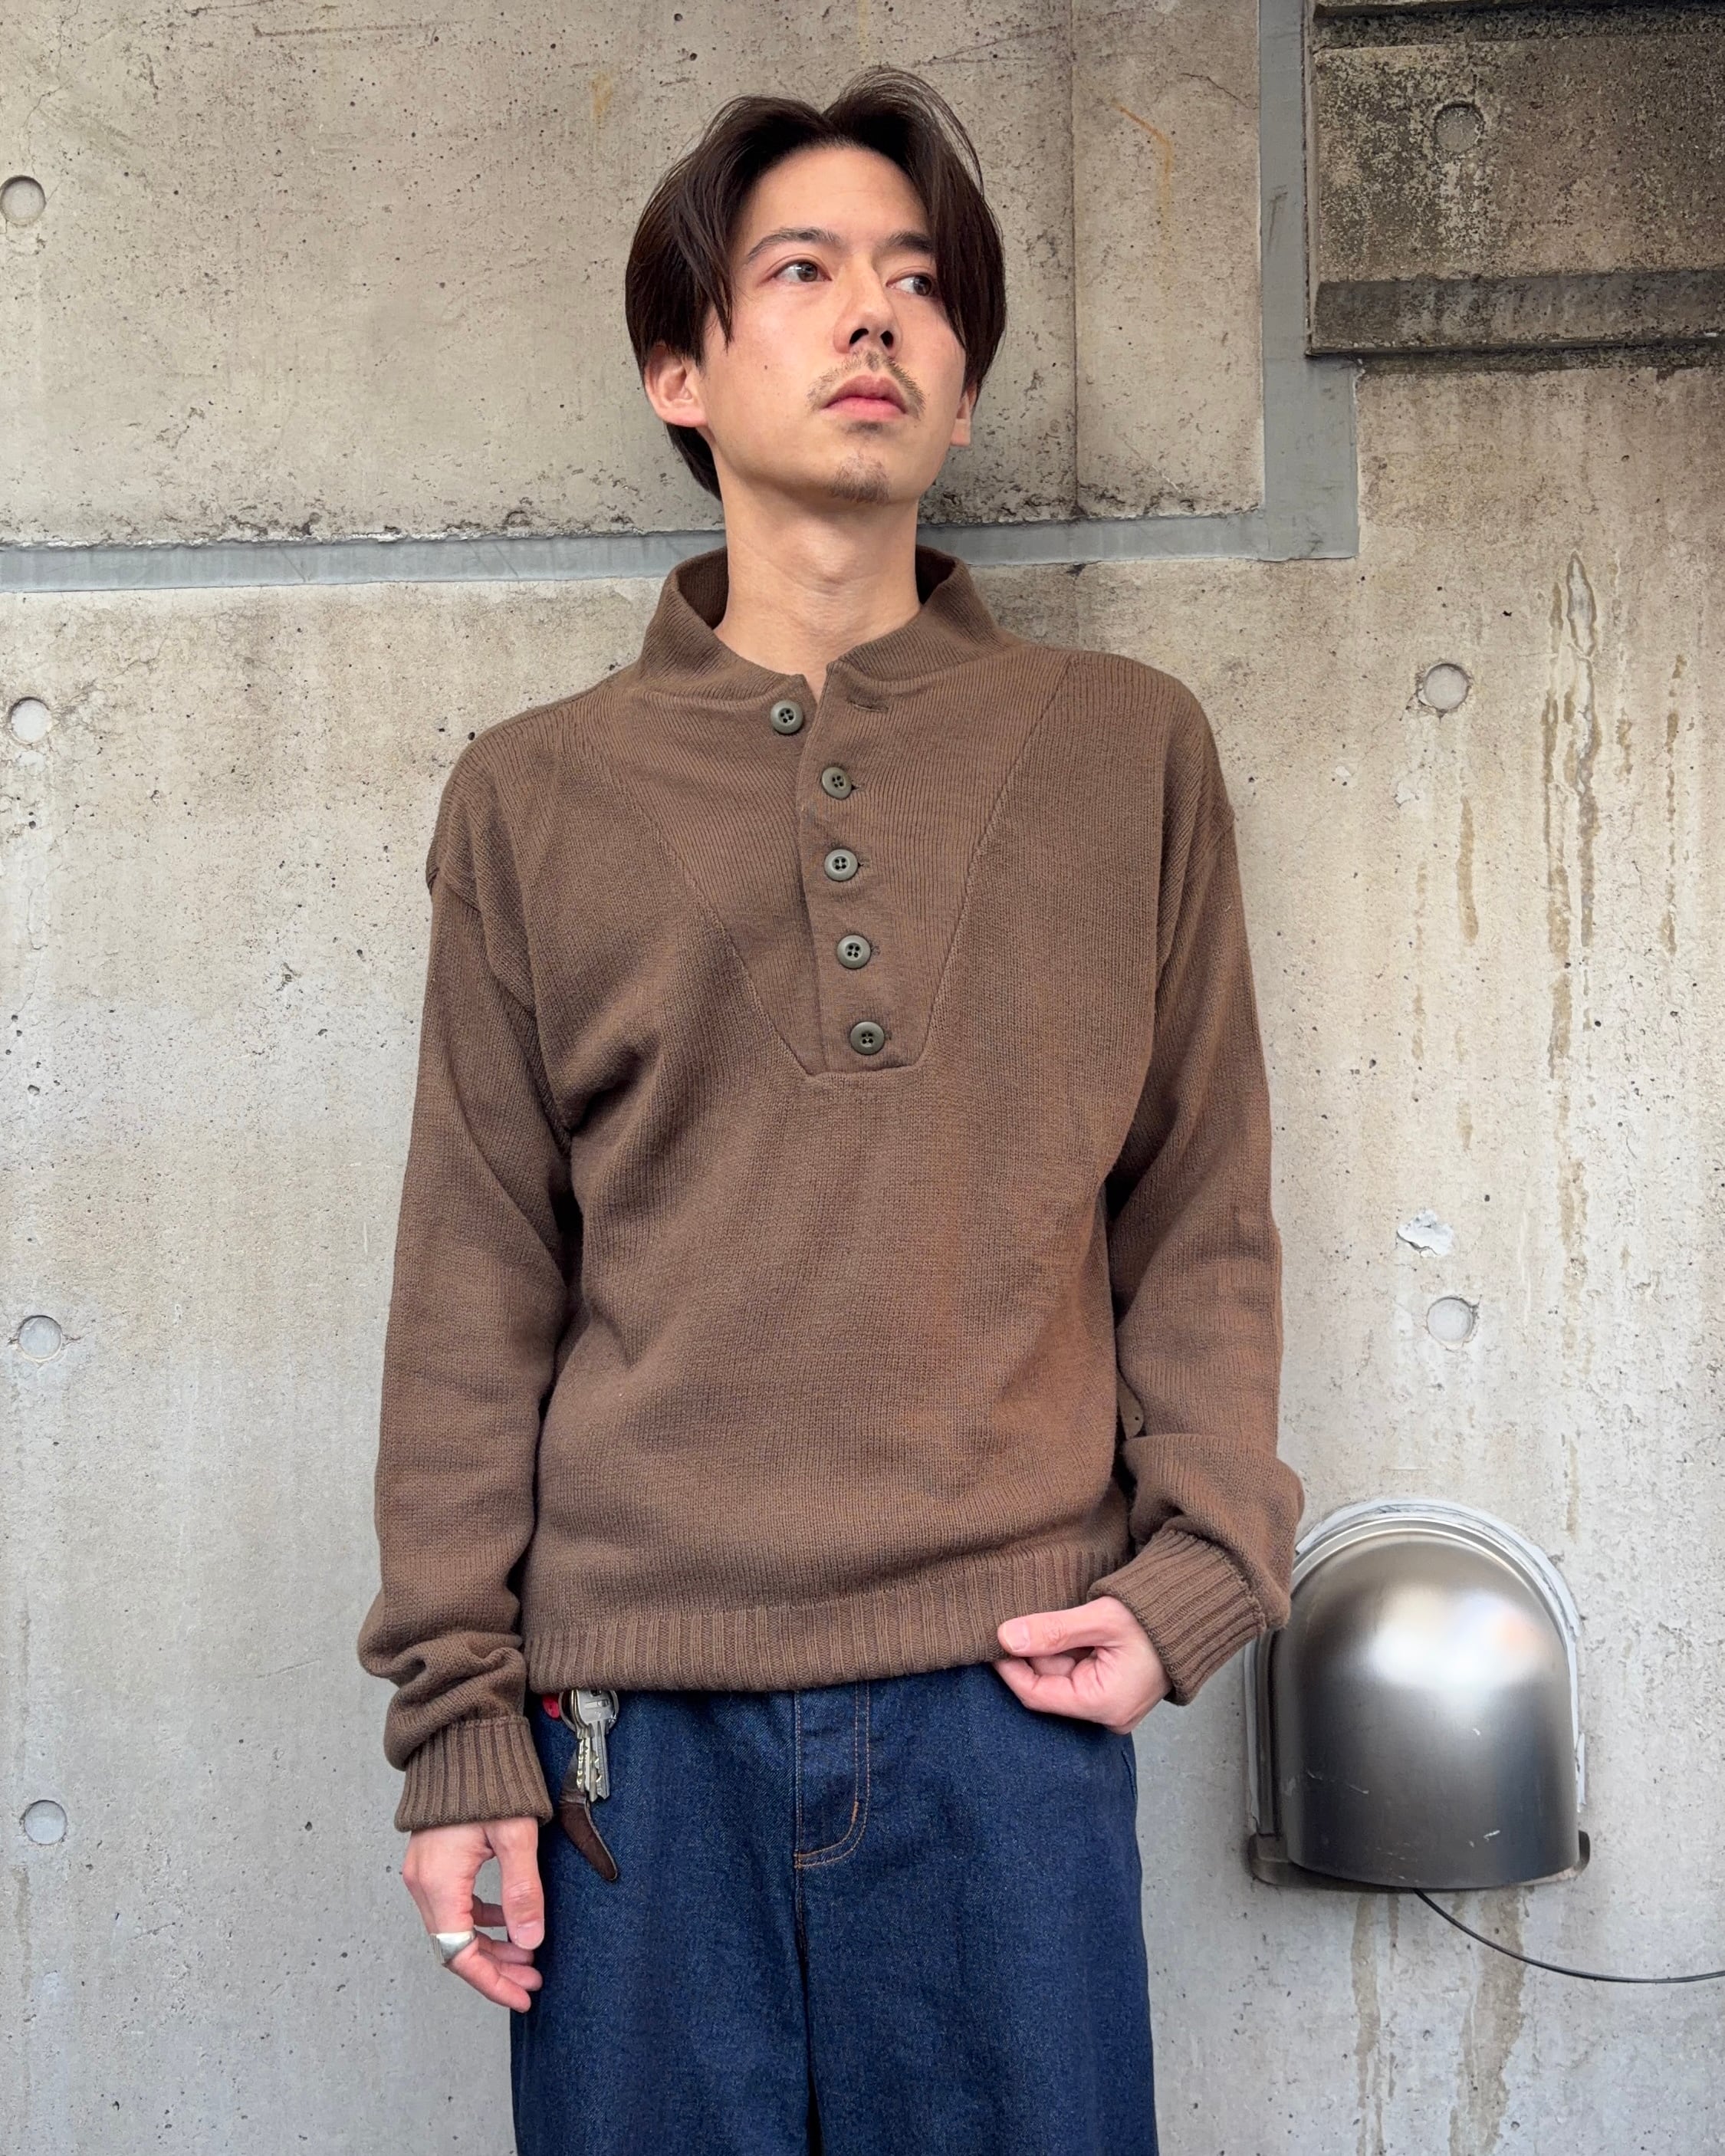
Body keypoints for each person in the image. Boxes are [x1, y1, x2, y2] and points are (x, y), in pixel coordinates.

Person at [357, 63, 1303, 2156]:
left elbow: (1200, 1208)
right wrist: (457, 1724)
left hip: (1006, 1706)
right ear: (679, 370)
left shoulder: (1124, 751)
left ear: (959, 395)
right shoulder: (532, 796)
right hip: (628, 1746)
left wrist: (1202, 1576)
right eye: (802, 269)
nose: (877, 312)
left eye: (922, 282)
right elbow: (474, 1282)